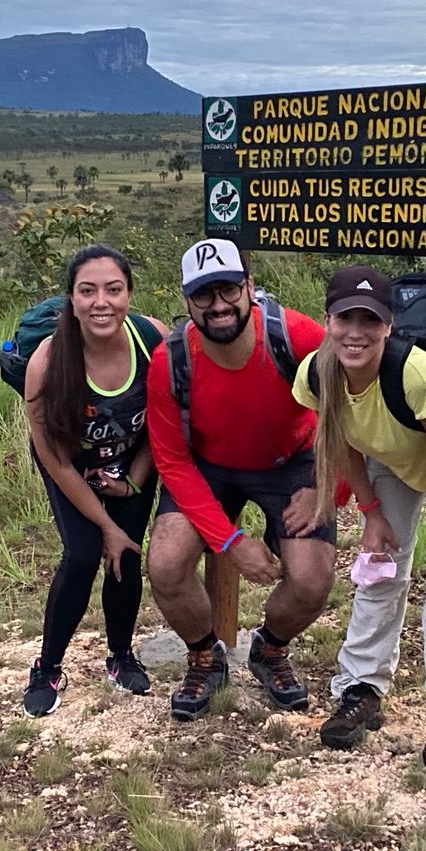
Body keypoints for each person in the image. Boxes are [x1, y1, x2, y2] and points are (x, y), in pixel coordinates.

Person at [285, 265, 426, 762]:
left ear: (388, 326)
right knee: (378, 573)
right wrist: (371, 512)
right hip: (394, 460)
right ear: (328, 320)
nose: (356, 332)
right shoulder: (318, 370)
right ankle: (361, 689)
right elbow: (345, 438)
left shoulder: (421, 376)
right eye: (344, 319)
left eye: (369, 321)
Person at [145, 238, 330, 721]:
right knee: (165, 562)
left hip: (293, 462)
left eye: (228, 290)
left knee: (312, 581)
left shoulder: (298, 338)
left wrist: (327, 488)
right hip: (209, 465)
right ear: (187, 303)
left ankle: (269, 649)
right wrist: (229, 541)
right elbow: (172, 461)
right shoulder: (171, 361)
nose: (219, 306)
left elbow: (347, 418)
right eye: (203, 296)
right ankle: (205, 657)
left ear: (250, 288)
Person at [21, 244, 170, 717]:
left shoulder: (153, 340)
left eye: (113, 289)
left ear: (129, 295)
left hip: (132, 462)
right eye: (87, 291)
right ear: (71, 298)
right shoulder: (47, 362)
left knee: (126, 554)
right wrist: (104, 523)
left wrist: (132, 483)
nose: (100, 302)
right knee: (84, 554)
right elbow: (52, 454)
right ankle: (47, 667)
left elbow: (162, 426)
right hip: (71, 467)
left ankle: (121, 656)